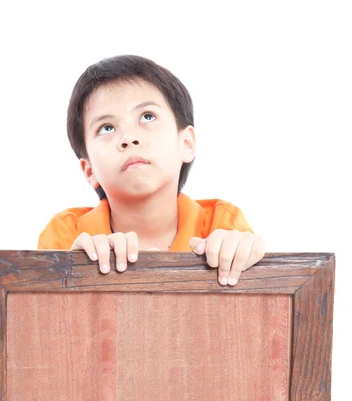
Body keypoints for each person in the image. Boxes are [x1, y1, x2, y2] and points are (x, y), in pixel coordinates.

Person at [38, 55, 265, 286]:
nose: (128, 138)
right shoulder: (66, 234)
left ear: (186, 143)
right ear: (89, 170)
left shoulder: (222, 223)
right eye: (107, 128)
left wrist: (244, 254)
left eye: (147, 116)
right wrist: (71, 271)